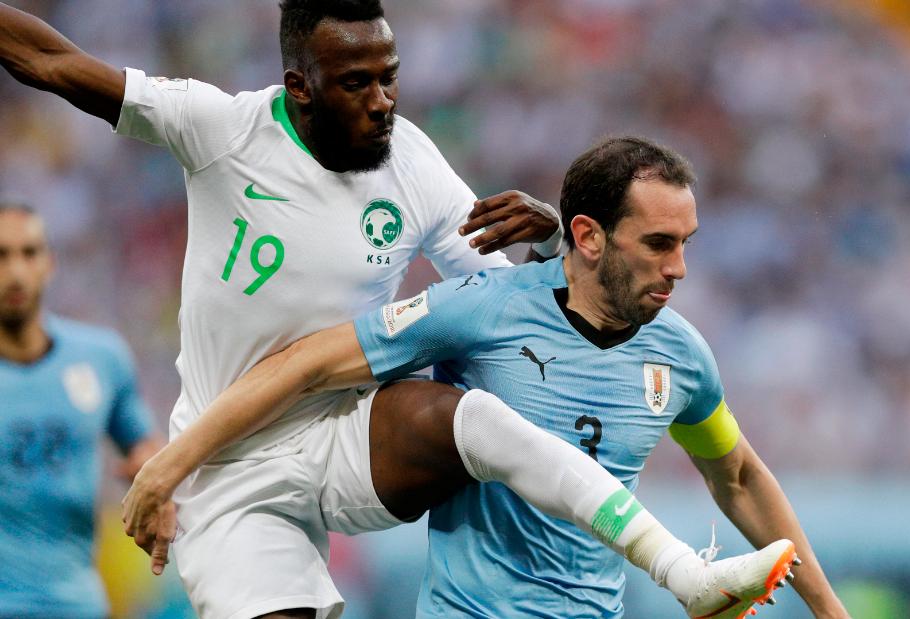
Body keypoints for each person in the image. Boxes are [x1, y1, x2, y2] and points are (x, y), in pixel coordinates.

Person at [0, 3, 789, 618]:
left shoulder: (408, 157)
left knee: (471, 413)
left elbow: (505, 297)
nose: (383, 101)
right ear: (299, 86)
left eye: (391, 76)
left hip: (347, 433)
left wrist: (562, 242)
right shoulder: (219, 128)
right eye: (357, 83)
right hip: (226, 457)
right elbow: (50, 58)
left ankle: (685, 573)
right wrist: (168, 469)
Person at [124, 137, 851, 619]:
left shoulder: (682, 355)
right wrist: (173, 464)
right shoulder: (484, 310)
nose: (678, 268)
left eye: (685, 244)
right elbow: (309, 361)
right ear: (590, 236)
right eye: (658, 244)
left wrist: (831, 612)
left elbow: (740, 477)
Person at [0, 203, 163, 618]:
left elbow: (144, 446)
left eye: (29, 253)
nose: (16, 271)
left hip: (77, 605)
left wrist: (150, 474)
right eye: (1, 256)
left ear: (50, 263)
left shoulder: (101, 359)